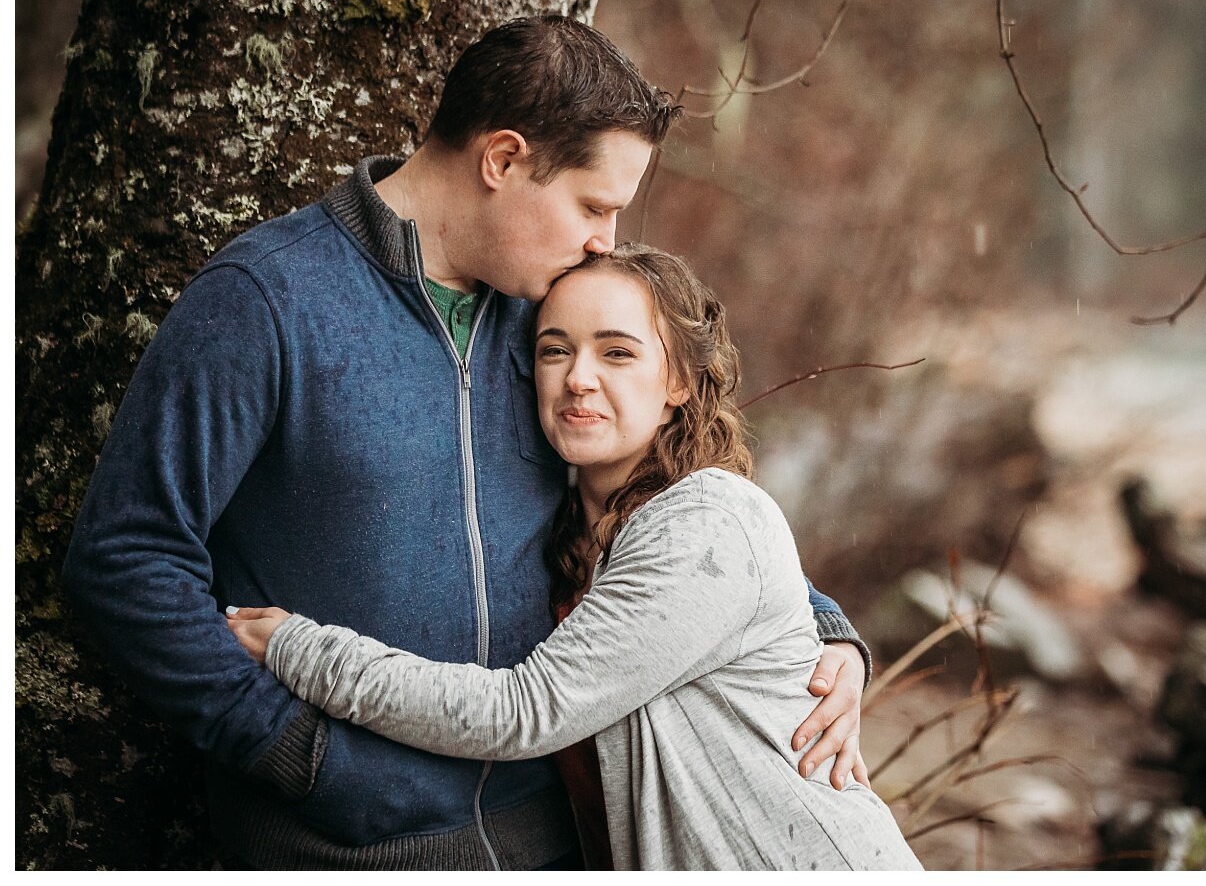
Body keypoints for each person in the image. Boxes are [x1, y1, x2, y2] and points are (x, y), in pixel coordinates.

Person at [60, 15, 869, 870]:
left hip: (543, 837)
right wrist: (292, 752)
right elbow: (125, 559)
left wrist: (823, 629)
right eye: (593, 205)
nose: (603, 239)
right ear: (503, 160)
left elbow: (660, 499)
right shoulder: (265, 303)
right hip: (342, 839)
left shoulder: (551, 322)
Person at [224, 245, 922, 870]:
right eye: (556, 350)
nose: (579, 378)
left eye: (617, 353)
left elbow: (525, 711)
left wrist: (298, 648)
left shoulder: (707, 517)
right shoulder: (565, 532)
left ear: (677, 380)